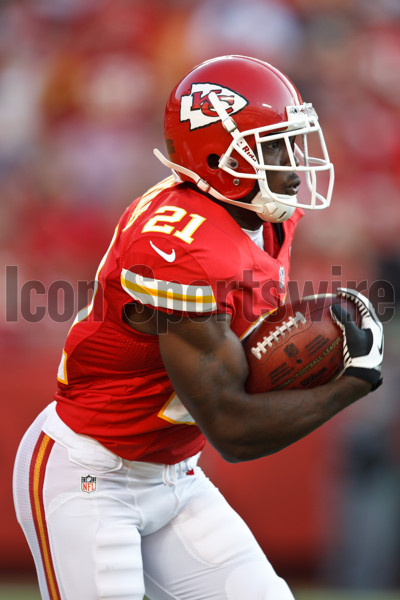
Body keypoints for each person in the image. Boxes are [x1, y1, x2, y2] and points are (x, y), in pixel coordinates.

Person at [13, 55, 384, 600]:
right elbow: (231, 427)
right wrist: (353, 381)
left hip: (174, 476)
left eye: (292, 141)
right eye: (275, 146)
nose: (294, 163)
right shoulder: (182, 249)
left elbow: (244, 347)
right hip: (92, 474)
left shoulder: (260, 216)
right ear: (221, 157)